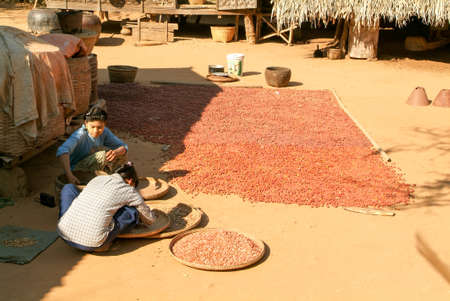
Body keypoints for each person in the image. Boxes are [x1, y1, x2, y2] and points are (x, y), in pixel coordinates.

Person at [57, 162, 154, 252]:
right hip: (92, 242)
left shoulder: (97, 179)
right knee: (133, 212)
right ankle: (103, 244)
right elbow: (149, 220)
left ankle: (67, 221)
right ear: (130, 181)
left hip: (64, 234)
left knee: (69, 188)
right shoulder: (129, 190)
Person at [56, 106, 128, 184]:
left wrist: (116, 152)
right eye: (92, 127)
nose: (96, 131)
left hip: (92, 164)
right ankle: (95, 180)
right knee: (103, 155)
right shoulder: (79, 135)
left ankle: (106, 178)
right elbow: (62, 151)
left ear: (104, 125)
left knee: (119, 154)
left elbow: (123, 146)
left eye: (99, 127)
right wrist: (69, 175)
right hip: (76, 168)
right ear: (86, 124)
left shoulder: (105, 132)